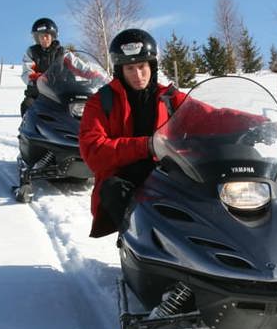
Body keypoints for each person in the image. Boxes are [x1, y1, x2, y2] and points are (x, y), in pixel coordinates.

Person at [78, 28, 188, 238]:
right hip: (125, 177)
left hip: (169, 173)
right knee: (114, 189)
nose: (137, 75)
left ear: (152, 65)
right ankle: (139, 246)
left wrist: (252, 124)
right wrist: (146, 145)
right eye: (130, 68)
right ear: (120, 70)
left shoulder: (170, 97)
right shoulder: (101, 102)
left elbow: (209, 115)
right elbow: (93, 151)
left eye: (141, 66)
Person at [20, 17, 65, 116]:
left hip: (59, 92)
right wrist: (38, 78)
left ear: (52, 37)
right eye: (41, 37)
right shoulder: (32, 52)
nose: (44, 39)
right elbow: (27, 71)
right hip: (37, 93)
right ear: (37, 38)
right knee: (27, 105)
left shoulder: (62, 52)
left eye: (47, 36)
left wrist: (94, 74)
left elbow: (78, 65)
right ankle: (28, 131)